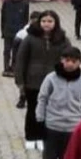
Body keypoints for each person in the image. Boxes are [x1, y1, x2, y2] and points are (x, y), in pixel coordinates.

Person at [15, 10, 72, 150]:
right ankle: (30, 136)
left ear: (55, 23)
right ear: (39, 22)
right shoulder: (30, 38)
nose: (47, 24)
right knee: (33, 109)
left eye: (50, 21)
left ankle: (42, 136)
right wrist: (20, 81)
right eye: (44, 21)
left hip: (54, 82)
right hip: (32, 81)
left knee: (48, 110)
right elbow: (21, 60)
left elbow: (68, 60)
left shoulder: (63, 40)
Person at [0, 0, 30, 77]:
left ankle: (14, 68)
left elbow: (26, 18)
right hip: (8, 30)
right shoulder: (6, 2)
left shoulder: (25, 4)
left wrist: (24, 32)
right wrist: (3, 30)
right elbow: (3, 17)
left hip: (18, 31)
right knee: (7, 50)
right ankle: (6, 68)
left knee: (16, 51)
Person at [14, 11, 42, 109]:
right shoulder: (23, 33)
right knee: (23, 82)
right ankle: (22, 97)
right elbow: (16, 49)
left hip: (36, 63)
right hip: (25, 62)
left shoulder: (43, 34)